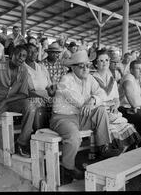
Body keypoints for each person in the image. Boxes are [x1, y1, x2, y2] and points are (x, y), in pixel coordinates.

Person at [50, 50, 121, 184]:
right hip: (62, 118)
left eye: (87, 65)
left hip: (80, 116)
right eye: (81, 66)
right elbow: (77, 100)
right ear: (73, 67)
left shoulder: (89, 78)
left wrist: (92, 100)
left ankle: (103, 148)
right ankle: (67, 168)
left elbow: (101, 93)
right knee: (73, 136)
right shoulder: (66, 79)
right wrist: (90, 100)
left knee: (100, 110)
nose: (85, 68)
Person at [0, 45, 33, 188]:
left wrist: (6, 100)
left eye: (24, 56)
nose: (22, 59)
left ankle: (21, 143)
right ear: (12, 54)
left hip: (12, 101)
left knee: (31, 107)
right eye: (19, 55)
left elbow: (23, 94)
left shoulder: (24, 70)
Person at [92, 50, 141, 152]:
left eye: (106, 60)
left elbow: (117, 99)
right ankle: (111, 153)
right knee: (113, 132)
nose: (104, 62)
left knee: (128, 128)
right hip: (99, 113)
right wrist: (108, 104)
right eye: (101, 60)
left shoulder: (112, 80)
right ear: (96, 64)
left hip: (113, 112)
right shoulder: (91, 79)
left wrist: (116, 105)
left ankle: (122, 154)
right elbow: (92, 101)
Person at [118, 60, 141, 147]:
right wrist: (134, 106)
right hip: (125, 108)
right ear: (131, 70)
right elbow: (127, 89)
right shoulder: (128, 77)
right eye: (138, 69)